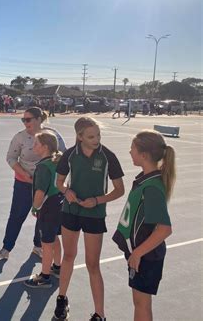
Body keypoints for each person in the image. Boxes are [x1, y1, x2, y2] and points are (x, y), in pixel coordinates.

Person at [53, 117, 125, 321]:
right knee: (68, 256)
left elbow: (120, 190)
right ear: (79, 137)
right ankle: (61, 299)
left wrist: (97, 200)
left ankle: (99, 314)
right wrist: (66, 192)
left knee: (92, 264)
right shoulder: (70, 154)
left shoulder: (107, 156)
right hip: (70, 212)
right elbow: (59, 182)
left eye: (98, 135)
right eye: (91, 136)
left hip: (94, 214)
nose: (96, 139)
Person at [113, 130, 174, 321]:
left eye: (133, 149)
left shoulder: (152, 188)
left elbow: (164, 229)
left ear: (144, 155)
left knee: (142, 304)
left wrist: (138, 253)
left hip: (146, 256)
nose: (130, 152)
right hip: (141, 254)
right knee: (140, 302)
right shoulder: (145, 180)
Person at [0, 107, 66, 260]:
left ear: (39, 119)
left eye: (28, 119)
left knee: (42, 216)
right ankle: (6, 248)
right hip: (23, 183)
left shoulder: (52, 135)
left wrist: (55, 175)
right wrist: (24, 174)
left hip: (46, 185)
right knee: (16, 215)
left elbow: (63, 156)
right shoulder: (20, 137)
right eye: (23, 120)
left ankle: (38, 246)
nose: (25, 122)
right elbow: (11, 158)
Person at [24, 131, 63, 288]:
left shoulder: (43, 167)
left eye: (36, 144)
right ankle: (58, 267)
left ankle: (44, 276)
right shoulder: (56, 162)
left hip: (48, 207)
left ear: (45, 147)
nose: (34, 146)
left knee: (46, 242)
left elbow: (40, 191)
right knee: (54, 237)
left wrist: (35, 207)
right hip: (59, 203)